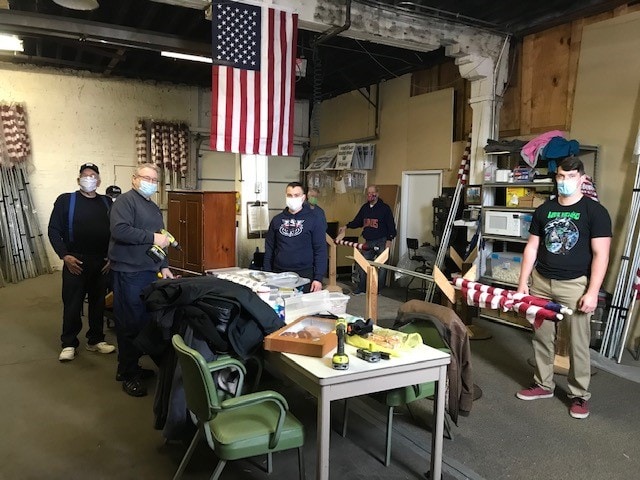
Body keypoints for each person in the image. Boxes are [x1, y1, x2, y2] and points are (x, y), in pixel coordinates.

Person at [515, 157, 611, 419]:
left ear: (582, 178)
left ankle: (579, 395)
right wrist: (523, 283)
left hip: (575, 286)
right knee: (542, 337)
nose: (564, 182)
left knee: (578, 343)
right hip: (541, 283)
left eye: (570, 176)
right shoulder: (544, 210)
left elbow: (601, 254)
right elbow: (532, 247)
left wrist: (592, 292)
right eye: (560, 176)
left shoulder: (595, 212)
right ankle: (543, 384)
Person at [109, 163, 174, 397]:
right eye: (146, 178)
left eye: (154, 180)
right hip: (129, 272)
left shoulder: (152, 207)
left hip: (148, 271)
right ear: (135, 178)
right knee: (129, 323)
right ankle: (128, 374)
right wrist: (152, 236)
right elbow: (120, 231)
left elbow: (162, 238)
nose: (150, 182)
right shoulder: (125, 202)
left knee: (143, 321)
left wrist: (164, 265)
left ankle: (128, 366)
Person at [48, 163, 116, 362]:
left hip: (101, 262)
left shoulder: (107, 202)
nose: (89, 179)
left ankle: (95, 340)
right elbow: (54, 230)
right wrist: (64, 255)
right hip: (75, 260)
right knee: (72, 303)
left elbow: (116, 232)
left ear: (99, 180)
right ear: (79, 180)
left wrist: (112, 256)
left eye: (93, 175)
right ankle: (69, 343)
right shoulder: (66, 201)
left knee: (97, 303)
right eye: (85, 176)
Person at [264, 182, 327, 293]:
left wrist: (318, 278)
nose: (292, 198)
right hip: (279, 274)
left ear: (303, 197)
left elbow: (320, 250)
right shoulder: (277, 220)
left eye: (296, 195)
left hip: (305, 275)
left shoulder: (314, 220)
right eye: (289, 195)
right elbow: (269, 248)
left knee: (303, 309)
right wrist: (267, 274)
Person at [337, 185, 397, 295]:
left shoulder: (385, 208)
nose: (370, 195)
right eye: (368, 193)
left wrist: (389, 240)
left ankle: (378, 290)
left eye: (372, 192)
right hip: (368, 241)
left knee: (381, 267)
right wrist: (346, 226)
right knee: (362, 264)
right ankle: (362, 288)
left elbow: (391, 226)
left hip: (382, 240)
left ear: (377, 194)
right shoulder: (365, 208)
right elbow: (357, 221)